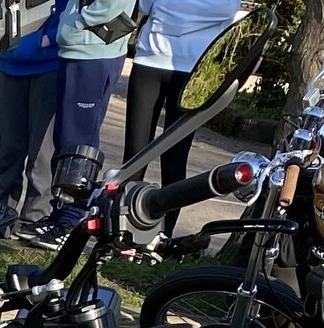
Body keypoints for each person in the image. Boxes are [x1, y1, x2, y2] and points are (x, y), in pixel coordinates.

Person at [124, 0, 244, 235]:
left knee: (174, 158)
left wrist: (169, 10)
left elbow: (227, 10)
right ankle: (124, 230)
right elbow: (145, 6)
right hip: (150, 61)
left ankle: (163, 235)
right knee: (135, 154)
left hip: (191, 69)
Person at [24, 0, 137, 249]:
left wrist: (73, 25)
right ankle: (58, 216)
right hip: (77, 52)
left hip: (95, 54)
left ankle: (70, 221)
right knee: (65, 140)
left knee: (79, 142)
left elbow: (110, 5)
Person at [0, 0, 68, 229]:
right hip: (10, 65)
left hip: (49, 67)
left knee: (41, 158)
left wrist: (48, 39)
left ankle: (34, 221)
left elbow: (73, 12)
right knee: (8, 153)